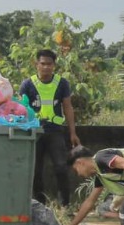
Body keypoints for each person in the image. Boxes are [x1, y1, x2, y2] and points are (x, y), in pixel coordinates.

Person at [18, 49, 81, 205]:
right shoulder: (27, 84)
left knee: (61, 167)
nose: (46, 67)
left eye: (49, 64)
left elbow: (68, 107)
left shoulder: (62, 83)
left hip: (55, 132)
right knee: (35, 170)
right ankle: (39, 204)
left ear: (54, 65)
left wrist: (73, 132)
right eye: (43, 64)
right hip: (34, 132)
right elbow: (20, 108)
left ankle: (64, 205)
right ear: (36, 64)